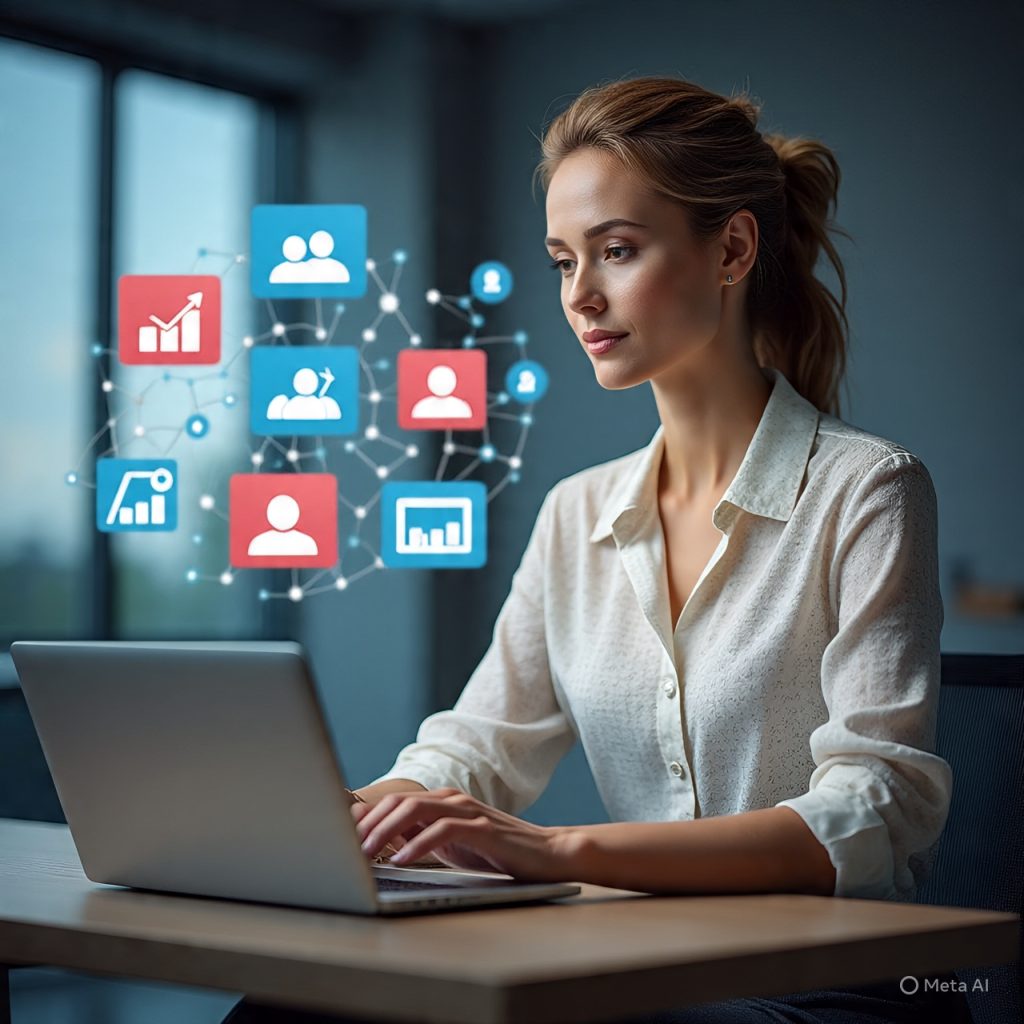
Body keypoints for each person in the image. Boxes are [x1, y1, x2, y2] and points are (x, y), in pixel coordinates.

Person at [225, 77, 972, 1024]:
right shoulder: (576, 513)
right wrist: (367, 814)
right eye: (562, 260)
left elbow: (875, 806)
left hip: (829, 991)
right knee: (292, 1007)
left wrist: (560, 851)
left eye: (617, 251)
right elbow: (480, 745)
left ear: (733, 248)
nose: (581, 295)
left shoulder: (869, 491)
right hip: (642, 965)